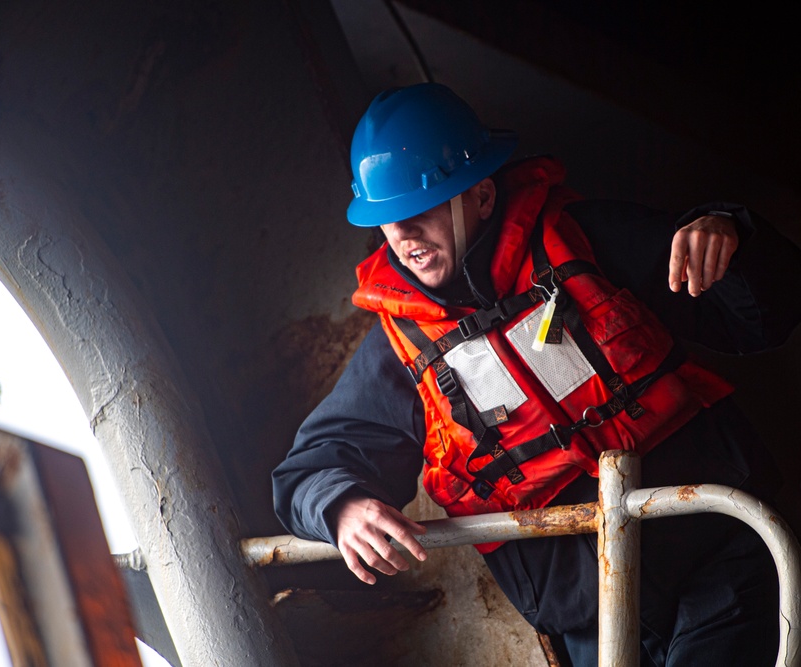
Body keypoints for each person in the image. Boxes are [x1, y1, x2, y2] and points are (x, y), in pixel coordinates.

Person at [272, 82, 801, 666]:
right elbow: (312, 468)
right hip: (589, 624)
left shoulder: (587, 240)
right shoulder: (399, 350)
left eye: (418, 211)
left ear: (482, 195)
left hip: (718, 564)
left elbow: (761, 319)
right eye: (386, 220)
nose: (402, 237)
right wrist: (341, 507)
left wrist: (728, 234)